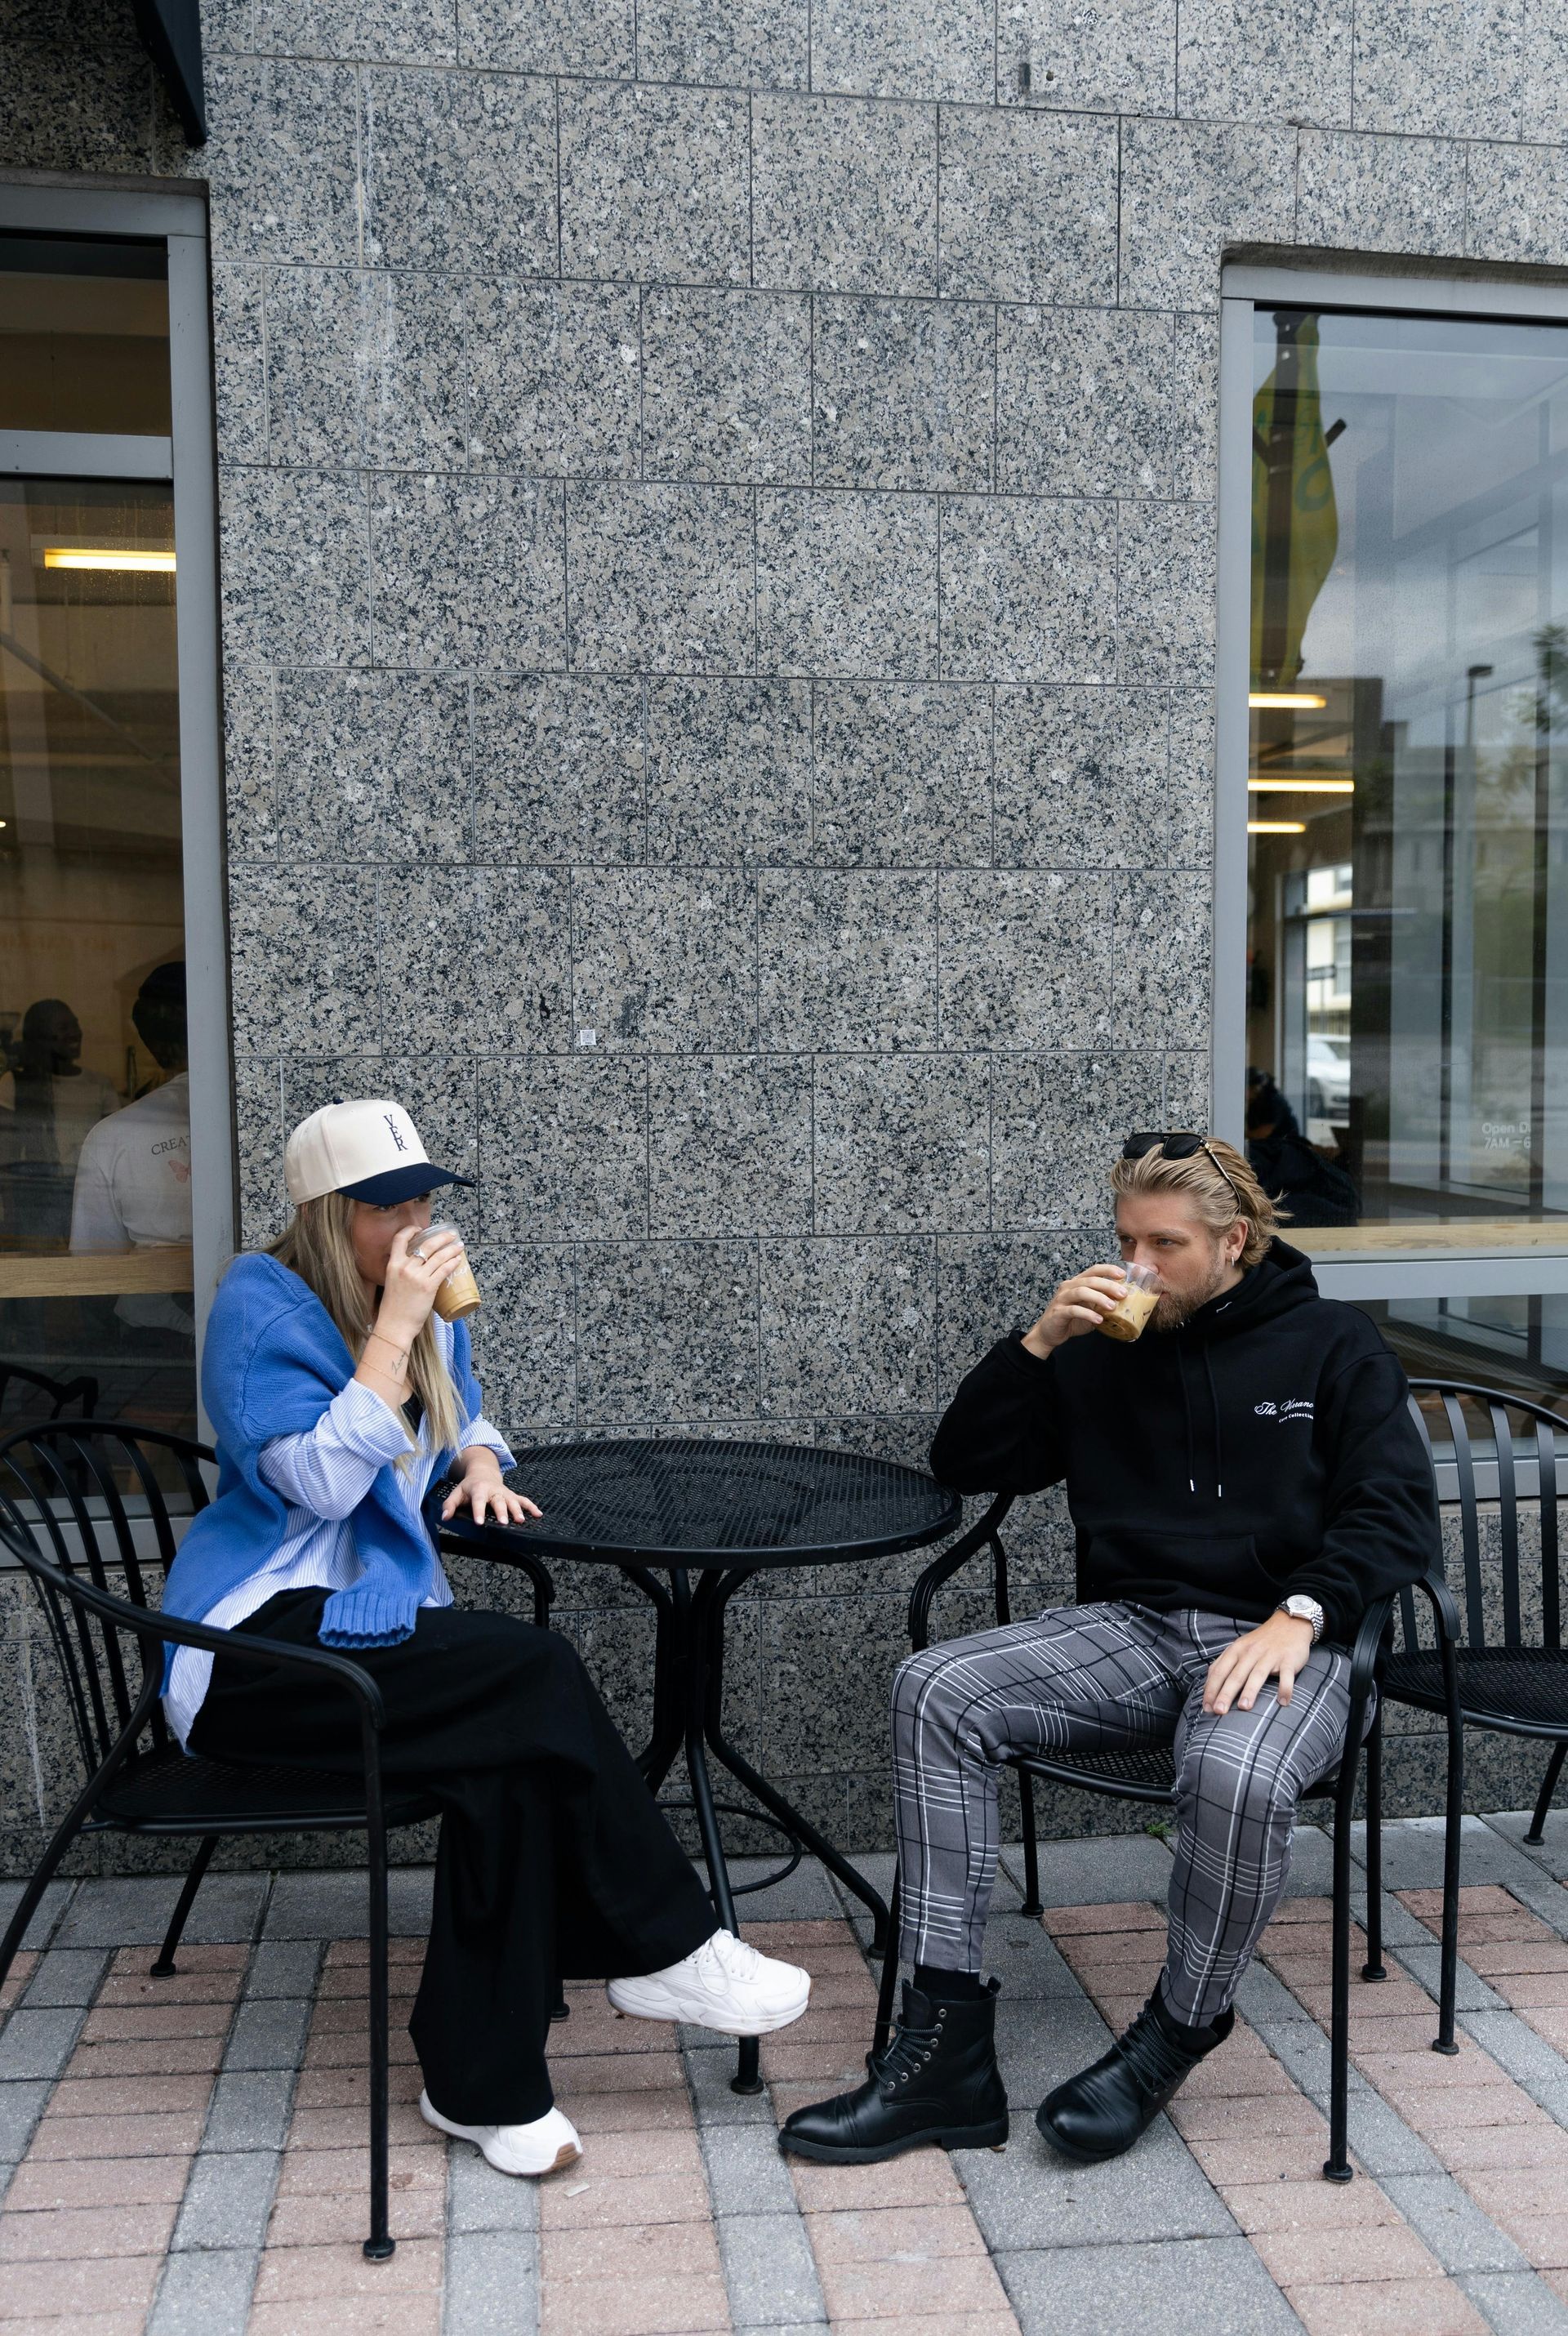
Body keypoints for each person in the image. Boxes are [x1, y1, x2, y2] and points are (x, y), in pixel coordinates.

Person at [162, 1099, 810, 2179]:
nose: (414, 1221)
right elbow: (320, 1482)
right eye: (387, 1206)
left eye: (422, 1198)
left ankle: (484, 2087)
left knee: (507, 1764)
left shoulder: (418, 1309)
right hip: (251, 1653)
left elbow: (457, 1408)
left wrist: (479, 1463)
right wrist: (393, 1330)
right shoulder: (260, 1309)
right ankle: (669, 1946)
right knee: (537, 1670)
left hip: (369, 1632)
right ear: (329, 1215)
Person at [778, 1133, 1437, 2169]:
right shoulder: (1099, 1346)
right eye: (1126, 1239)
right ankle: (943, 2044)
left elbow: (1396, 1515)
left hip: (1289, 1641)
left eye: (1165, 1243)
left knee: (1234, 1769)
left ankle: (1175, 2029)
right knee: (934, 1685)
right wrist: (1037, 1345)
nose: (1138, 1264)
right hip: (1134, 1629)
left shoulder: (1333, 1345)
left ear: (1238, 1240)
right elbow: (968, 1461)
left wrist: (1302, 1612)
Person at [69, 964, 192, 1335]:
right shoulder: (269, 1113)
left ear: (153, 1046)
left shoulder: (114, 1134)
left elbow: (93, 1265)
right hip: (260, 1324)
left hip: (153, 1332)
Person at [0, 999, 117, 1244]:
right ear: (40, 1037)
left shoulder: (99, 1085)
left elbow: (112, 1149)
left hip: (87, 1193)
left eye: (75, 1024)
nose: (75, 1032)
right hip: (37, 1199)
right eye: (63, 1028)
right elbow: (6, 1153)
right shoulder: (16, 1083)